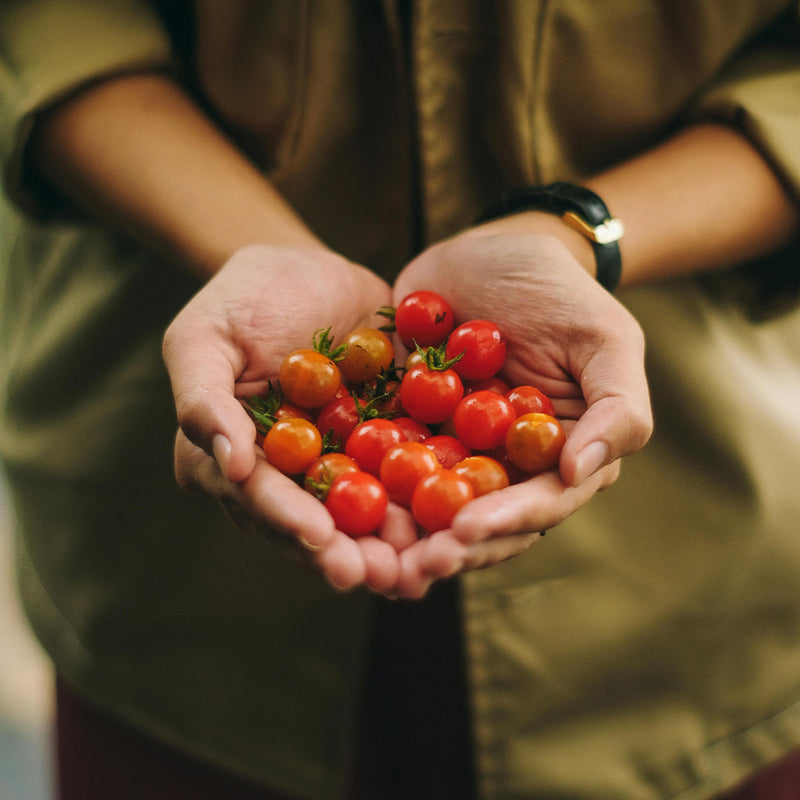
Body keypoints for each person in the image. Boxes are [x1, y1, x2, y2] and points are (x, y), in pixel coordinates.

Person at [1, 1, 800, 798]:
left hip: (688, 586)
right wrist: (253, 244)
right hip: (176, 587)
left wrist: (572, 238)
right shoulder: (385, 398)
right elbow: (50, 22)